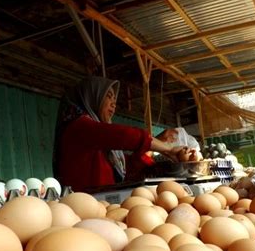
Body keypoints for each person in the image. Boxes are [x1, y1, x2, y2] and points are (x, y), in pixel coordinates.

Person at [53, 76, 184, 192]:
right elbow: (125, 136)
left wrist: (155, 144)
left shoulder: (104, 144)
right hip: (84, 208)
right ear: (93, 97)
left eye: (115, 98)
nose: (114, 103)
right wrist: (168, 148)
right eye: (109, 96)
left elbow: (127, 168)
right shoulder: (78, 127)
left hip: (103, 205)